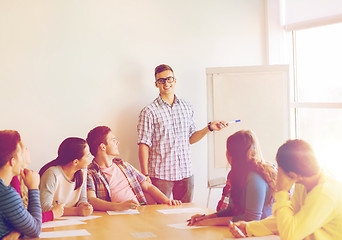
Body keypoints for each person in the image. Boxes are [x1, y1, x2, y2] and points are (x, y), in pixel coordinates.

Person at [137, 64, 228, 203]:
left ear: (174, 80)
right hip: (161, 175)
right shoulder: (149, 111)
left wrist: (209, 128)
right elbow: (144, 144)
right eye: (161, 80)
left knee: (185, 215)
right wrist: (144, 174)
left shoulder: (187, 107)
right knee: (160, 217)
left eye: (169, 79)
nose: (166, 83)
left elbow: (190, 138)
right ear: (156, 84)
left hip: (186, 173)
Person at [229, 139, 342, 240]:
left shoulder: (325, 193)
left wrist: (282, 192)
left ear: (293, 175)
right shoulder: (302, 183)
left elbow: (290, 235)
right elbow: (286, 220)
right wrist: (249, 228)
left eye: (279, 170)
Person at [188, 130, 277, 226]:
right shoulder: (235, 174)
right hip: (244, 230)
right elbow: (231, 210)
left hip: (261, 232)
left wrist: (212, 222)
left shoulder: (255, 178)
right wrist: (207, 218)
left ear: (232, 155)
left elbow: (252, 219)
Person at [86, 126, 181, 211]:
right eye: (113, 140)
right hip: (114, 217)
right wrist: (118, 207)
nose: (117, 142)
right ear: (103, 147)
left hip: (140, 211)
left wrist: (167, 201)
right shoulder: (90, 173)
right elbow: (92, 200)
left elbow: (148, 186)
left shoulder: (123, 165)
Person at [0, 130, 42, 239]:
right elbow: (35, 229)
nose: (26, 151)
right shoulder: (6, 194)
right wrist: (33, 188)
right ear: (12, 161)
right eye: (22, 150)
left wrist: (18, 231)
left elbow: (23, 220)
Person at [39, 137, 93, 217]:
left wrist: (84, 206)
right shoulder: (52, 174)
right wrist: (77, 211)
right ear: (75, 162)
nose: (90, 157)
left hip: (73, 222)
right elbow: (44, 208)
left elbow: (82, 198)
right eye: (88, 155)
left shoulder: (83, 172)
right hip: (52, 223)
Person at [10, 145, 64, 223]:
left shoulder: (22, 177)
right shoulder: (13, 179)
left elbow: (27, 216)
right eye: (25, 148)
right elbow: (25, 221)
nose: (28, 150)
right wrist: (52, 214)